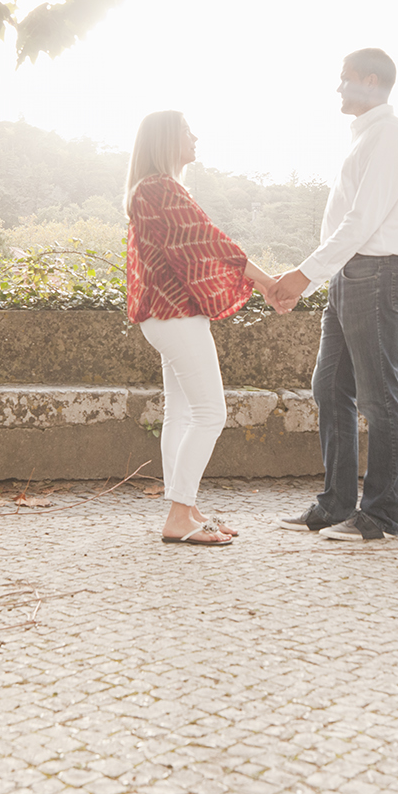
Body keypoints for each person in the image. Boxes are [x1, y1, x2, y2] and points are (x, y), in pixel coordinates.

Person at [270, 50, 398, 542]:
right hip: (351, 274)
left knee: (379, 397)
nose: (338, 89)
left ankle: (380, 516)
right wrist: (318, 278)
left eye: (346, 80)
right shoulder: (366, 137)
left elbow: (362, 222)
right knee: (330, 387)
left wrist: (301, 276)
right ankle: (335, 504)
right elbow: (349, 224)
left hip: (378, 273)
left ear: (371, 81)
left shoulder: (391, 136)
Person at [125, 110, 280, 547]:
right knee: (212, 412)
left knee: (182, 414)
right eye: (187, 131)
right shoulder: (160, 188)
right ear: (167, 140)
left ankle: (187, 509)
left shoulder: (146, 190)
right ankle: (178, 516)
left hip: (160, 315)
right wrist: (268, 281)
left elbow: (195, 250)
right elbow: (212, 244)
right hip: (174, 315)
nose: (196, 137)